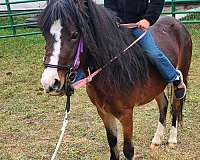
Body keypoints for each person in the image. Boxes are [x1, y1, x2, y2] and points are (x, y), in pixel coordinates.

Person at [104, 0, 186, 99]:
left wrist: (147, 19)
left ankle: (175, 78)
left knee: (152, 53)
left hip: (138, 26)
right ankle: (83, 78)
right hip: (118, 27)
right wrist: (112, 19)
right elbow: (109, 4)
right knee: (103, 52)